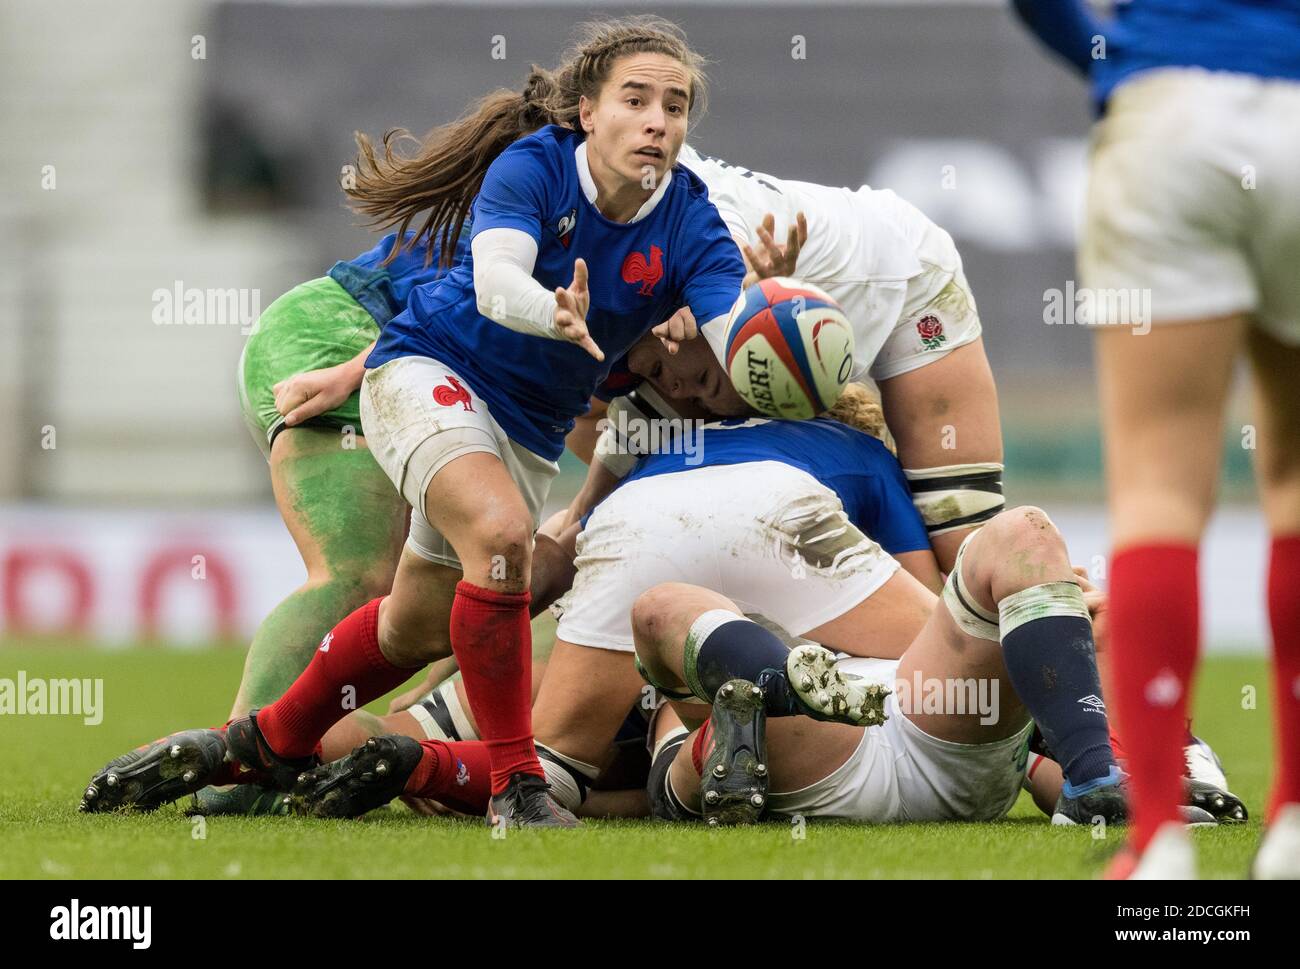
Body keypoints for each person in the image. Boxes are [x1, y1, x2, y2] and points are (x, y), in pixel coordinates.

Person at [80, 16, 747, 829]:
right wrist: (362, 365)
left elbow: (732, 330)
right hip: (374, 347)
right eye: (637, 100)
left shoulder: (692, 224)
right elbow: (483, 291)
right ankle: (513, 786)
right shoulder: (537, 177)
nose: (657, 121)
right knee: (453, 551)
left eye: (674, 107)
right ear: (585, 112)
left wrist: (768, 341)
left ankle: (259, 742)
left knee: (417, 621)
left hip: (504, 416)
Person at [1012, 0, 1300, 879]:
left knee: (1157, 492)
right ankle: (1291, 827)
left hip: (1168, 105)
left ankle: (1157, 845)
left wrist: (1113, 60)